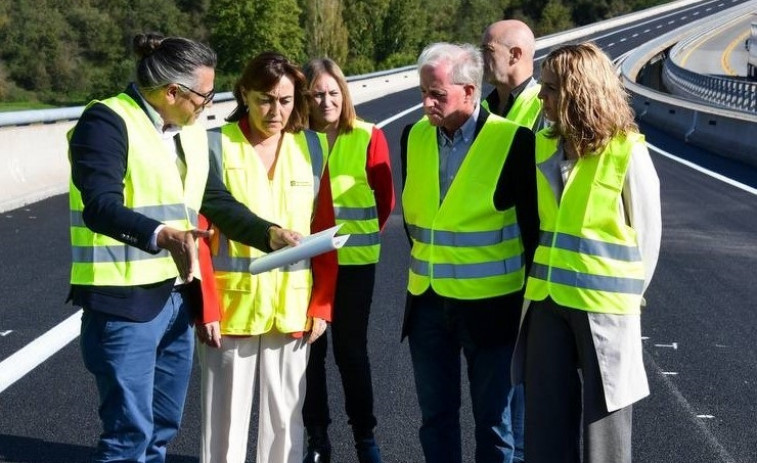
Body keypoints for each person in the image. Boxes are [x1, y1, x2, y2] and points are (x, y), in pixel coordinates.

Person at [68, 34, 299, 463]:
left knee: (161, 429)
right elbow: (99, 206)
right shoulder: (106, 121)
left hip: (176, 298)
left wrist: (268, 233)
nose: (208, 105)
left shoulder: (191, 132)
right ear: (172, 91)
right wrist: (163, 235)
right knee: (128, 436)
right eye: (204, 95)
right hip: (123, 305)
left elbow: (216, 201)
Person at [512, 42, 662, 463]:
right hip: (546, 303)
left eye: (550, 89)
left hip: (604, 309)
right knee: (545, 430)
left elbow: (648, 241)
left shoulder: (627, 151)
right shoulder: (544, 145)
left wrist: (623, 299)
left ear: (579, 91)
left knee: (605, 440)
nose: (541, 98)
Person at [195, 51, 338, 463]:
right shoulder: (215, 146)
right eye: (265, 99)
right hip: (230, 307)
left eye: (286, 101)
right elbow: (201, 238)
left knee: (286, 425)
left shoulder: (311, 147)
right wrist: (205, 308)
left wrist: (322, 304)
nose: (275, 111)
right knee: (223, 428)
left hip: (292, 308)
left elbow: (325, 231)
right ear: (244, 93)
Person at [400, 42, 539, 463]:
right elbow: (419, 222)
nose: (427, 103)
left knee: (495, 427)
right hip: (427, 304)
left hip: (493, 310)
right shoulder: (413, 136)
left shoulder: (513, 141)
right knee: (435, 420)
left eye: (437, 94)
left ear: (471, 91)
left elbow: (532, 233)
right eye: (423, 92)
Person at [301, 57, 395, 463]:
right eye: (318, 94)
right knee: (310, 355)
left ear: (345, 93)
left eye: (333, 93)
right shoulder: (295, 140)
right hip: (306, 263)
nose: (326, 101)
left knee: (351, 351)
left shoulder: (368, 136)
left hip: (355, 263)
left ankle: (365, 438)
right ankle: (318, 439)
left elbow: (385, 200)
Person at [481, 20, 543, 131]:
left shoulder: (546, 104)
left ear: (515, 55)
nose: (481, 57)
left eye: (488, 50)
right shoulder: (483, 108)